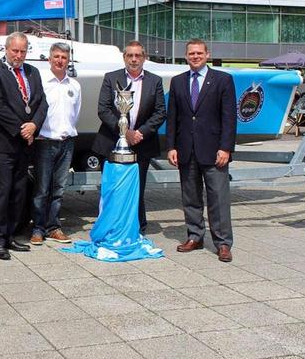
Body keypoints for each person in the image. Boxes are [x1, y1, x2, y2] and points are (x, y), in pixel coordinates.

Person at [166, 38, 237, 263]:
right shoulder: (177, 82)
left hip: (214, 150)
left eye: (199, 53)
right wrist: (171, 147)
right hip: (186, 150)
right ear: (185, 56)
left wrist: (225, 147)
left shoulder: (223, 80)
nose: (195, 57)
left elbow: (229, 118)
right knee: (191, 198)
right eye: (191, 54)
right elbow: (173, 118)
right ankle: (195, 236)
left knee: (218, 198)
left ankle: (223, 243)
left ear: (207, 54)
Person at [0, 32, 48, 260]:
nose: (19, 55)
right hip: (1, 143)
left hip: (24, 145)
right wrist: (24, 128)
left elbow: (41, 103)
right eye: (15, 51)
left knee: (18, 193)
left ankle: (9, 236)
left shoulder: (33, 72)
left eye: (23, 51)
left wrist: (35, 125)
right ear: (6, 49)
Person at [92, 40, 166, 234]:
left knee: (137, 189)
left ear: (144, 58)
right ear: (124, 57)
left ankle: (136, 227)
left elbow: (160, 112)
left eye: (138, 55)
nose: (134, 59)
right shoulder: (111, 78)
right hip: (112, 142)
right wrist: (126, 133)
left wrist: (140, 133)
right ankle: (111, 226)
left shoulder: (155, 81)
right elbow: (104, 109)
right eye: (130, 55)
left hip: (142, 143)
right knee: (113, 188)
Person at [30, 42, 81, 245]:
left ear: (68, 61)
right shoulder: (41, 82)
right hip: (44, 142)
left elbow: (74, 114)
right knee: (42, 189)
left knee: (59, 188)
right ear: (49, 59)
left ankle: (54, 227)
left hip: (66, 142)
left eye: (64, 57)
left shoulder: (74, 86)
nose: (60, 60)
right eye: (57, 57)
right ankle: (37, 229)